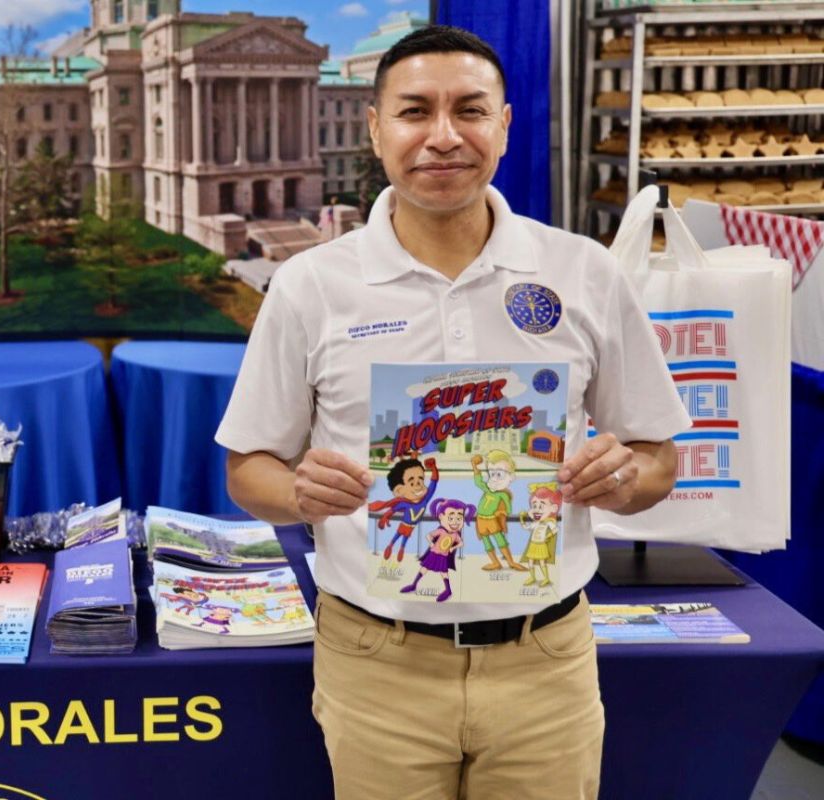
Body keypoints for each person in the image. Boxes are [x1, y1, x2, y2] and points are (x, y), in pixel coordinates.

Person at [215, 24, 690, 800]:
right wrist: (298, 493)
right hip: (379, 665)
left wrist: (627, 473)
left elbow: (658, 459)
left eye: (470, 110)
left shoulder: (583, 271)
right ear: (375, 129)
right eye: (414, 112)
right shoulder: (311, 286)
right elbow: (248, 469)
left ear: (504, 125)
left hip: (547, 662)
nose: (443, 137)